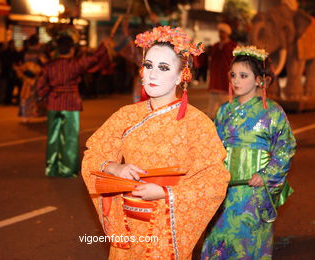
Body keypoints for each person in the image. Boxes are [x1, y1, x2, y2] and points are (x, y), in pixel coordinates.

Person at [81, 26, 230, 259]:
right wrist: (115, 167)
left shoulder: (197, 123)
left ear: (182, 75)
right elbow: (94, 153)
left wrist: (164, 193)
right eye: (148, 66)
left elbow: (214, 179)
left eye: (163, 68)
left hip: (167, 223)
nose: (152, 74)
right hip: (127, 226)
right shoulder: (125, 115)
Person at [201, 46, 296, 259]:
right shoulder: (224, 110)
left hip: (254, 192)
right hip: (225, 188)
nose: (236, 81)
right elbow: (214, 148)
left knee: (247, 240)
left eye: (243, 76)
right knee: (218, 238)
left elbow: (285, 147)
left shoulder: (273, 111)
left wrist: (266, 175)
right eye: (233, 75)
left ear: (259, 80)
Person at [35, 35, 113, 177]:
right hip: (70, 103)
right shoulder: (75, 64)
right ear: (71, 49)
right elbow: (94, 58)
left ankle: (52, 168)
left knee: (53, 137)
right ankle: (68, 169)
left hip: (53, 102)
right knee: (70, 138)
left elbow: (40, 85)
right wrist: (103, 45)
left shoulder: (49, 65)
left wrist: (44, 96)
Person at [207, 23, 237, 119]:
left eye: (222, 32)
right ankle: (211, 119)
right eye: (220, 32)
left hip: (226, 78)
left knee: (226, 100)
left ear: (227, 33)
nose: (220, 34)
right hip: (215, 78)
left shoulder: (233, 46)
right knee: (212, 101)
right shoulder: (215, 46)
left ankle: (226, 119)